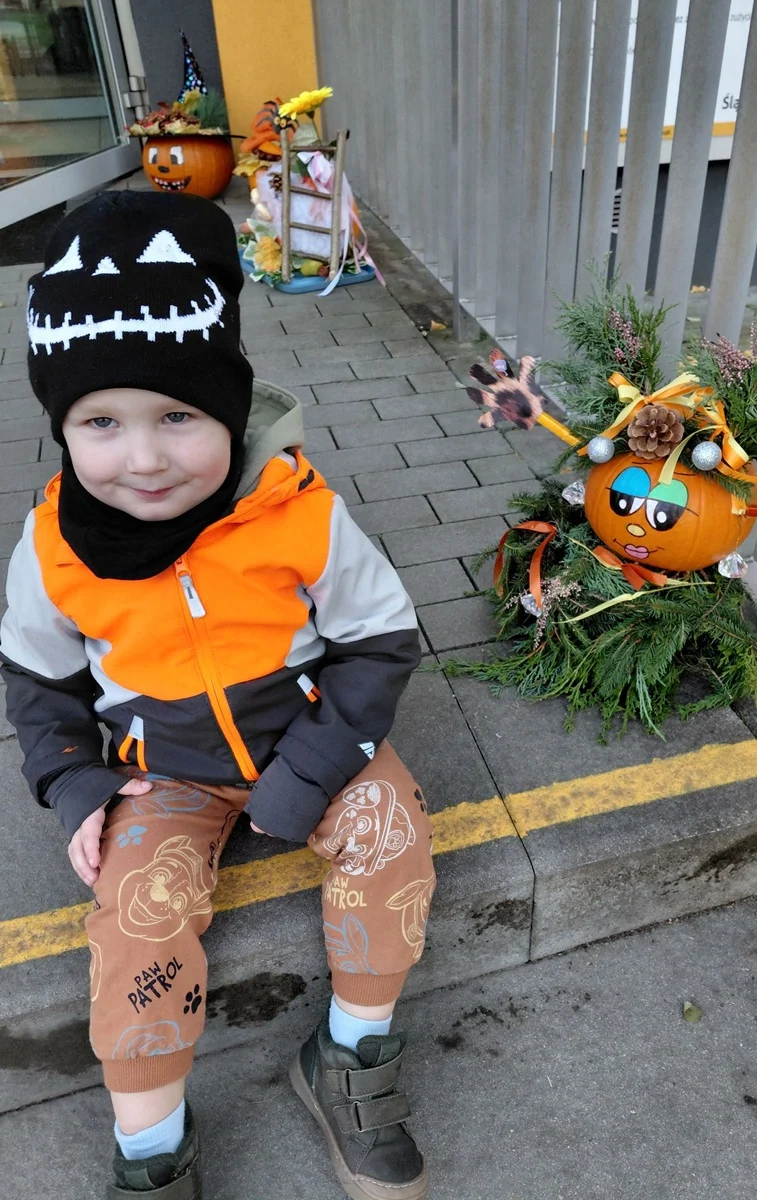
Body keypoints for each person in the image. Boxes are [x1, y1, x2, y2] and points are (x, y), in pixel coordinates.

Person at [0, 189, 434, 1200]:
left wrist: (311, 772)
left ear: (229, 407)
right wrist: (74, 784)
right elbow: (36, 679)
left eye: (178, 416)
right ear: (62, 426)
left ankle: (350, 1055)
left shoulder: (296, 510)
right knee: (137, 918)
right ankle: (151, 1147)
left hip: (310, 740)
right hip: (163, 777)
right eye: (101, 422)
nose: (144, 457)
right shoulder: (53, 547)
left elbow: (380, 642)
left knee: (396, 837)